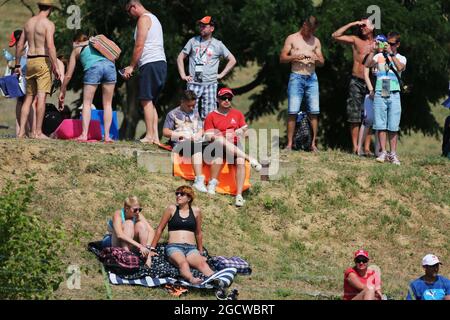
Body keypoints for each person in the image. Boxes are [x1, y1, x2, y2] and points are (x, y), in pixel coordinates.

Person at [203, 87, 262, 207]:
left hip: (234, 146)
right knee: (219, 150)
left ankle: (239, 195)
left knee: (240, 161)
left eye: (229, 98)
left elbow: (246, 131)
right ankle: (212, 184)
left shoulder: (237, 114)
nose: (226, 100)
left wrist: (242, 132)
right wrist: (224, 136)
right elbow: (209, 136)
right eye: (224, 98)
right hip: (217, 146)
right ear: (218, 100)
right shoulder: (211, 116)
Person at [14, 0, 63, 139]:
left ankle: (21, 132)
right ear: (50, 9)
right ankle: (37, 132)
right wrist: (55, 66)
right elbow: (51, 46)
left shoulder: (29, 23)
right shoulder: (48, 24)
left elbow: (19, 46)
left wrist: (17, 65)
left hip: (30, 61)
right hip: (42, 60)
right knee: (41, 97)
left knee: (28, 98)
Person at [122, 0, 167, 144]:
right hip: (160, 63)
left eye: (128, 11)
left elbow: (139, 45)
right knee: (151, 101)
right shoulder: (155, 18)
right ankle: (154, 137)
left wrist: (131, 66)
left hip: (150, 63)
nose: (129, 15)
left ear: (134, 6)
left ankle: (148, 136)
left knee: (145, 99)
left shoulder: (143, 19)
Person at [149, 186, 215, 284]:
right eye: (177, 193)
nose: (178, 196)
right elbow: (160, 228)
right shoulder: (172, 209)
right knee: (183, 263)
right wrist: (152, 248)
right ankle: (192, 279)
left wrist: (201, 251)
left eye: (182, 194)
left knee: (202, 264)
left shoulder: (196, 211)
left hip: (191, 248)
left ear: (189, 198)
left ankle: (216, 280)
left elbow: (198, 232)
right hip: (174, 247)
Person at [59, 33, 116, 142]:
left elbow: (69, 75)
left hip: (93, 68)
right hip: (109, 66)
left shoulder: (76, 49)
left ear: (75, 42)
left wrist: (63, 89)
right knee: (108, 104)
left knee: (87, 103)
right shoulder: (96, 44)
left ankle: (84, 135)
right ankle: (107, 136)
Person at [177, 16, 236, 120]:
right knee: (189, 113)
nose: (201, 28)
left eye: (204, 26)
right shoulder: (193, 41)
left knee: (209, 115)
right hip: (193, 83)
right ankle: (191, 135)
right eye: (200, 25)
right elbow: (180, 57)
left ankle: (207, 135)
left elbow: (232, 60)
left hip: (210, 84)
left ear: (212, 28)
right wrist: (183, 75)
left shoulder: (218, 44)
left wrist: (221, 74)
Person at [280, 16, 325, 152]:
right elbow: (282, 58)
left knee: (314, 111)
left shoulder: (315, 41)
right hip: (296, 76)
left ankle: (312, 144)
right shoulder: (292, 38)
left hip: (312, 77)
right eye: (309, 29)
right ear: (304, 25)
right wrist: (295, 57)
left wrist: (316, 59)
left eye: (313, 30)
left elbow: (322, 61)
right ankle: (289, 144)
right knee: (293, 110)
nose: (310, 32)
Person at [332, 18, 375, 154]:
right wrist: (351, 24)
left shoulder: (377, 43)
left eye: (364, 25)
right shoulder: (356, 40)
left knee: (370, 115)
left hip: (372, 83)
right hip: (356, 81)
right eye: (360, 25)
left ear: (373, 27)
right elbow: (335, 36)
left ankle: (367, 147)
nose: (362, 27)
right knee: (354, 115)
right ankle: (356, 147)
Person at [364, 31, 406, 165]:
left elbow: (400, 67)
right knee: (380, 124)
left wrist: (392, 54)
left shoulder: (401, 57)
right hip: (381, 89)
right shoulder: (379, 56)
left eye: (392, 44)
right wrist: (372, 50)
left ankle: (393, 154)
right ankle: (382, 152)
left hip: (393, 91)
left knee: (393, 125)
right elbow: (368, 64)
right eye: (388, 43)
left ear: (397, 45)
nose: (389, 46)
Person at [163, 90, 207, 193]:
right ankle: (199, 180)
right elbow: (165, 132)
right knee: (195, 147)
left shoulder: (195, 113)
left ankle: (213, 183)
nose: (191, 108)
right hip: (180, 144)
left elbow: (202, 128)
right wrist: (182, 135)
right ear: (182, 101)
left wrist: (198, 135)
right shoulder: (172, 114)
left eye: (193, 105)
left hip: (195, 140)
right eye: (189, 105)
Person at [106, 196, 155, 267]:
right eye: (135, 210)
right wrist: (139, 246)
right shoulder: (118, 214)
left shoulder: (137, 215)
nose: (138, 212)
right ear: (126, 209)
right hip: (112, 241)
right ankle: (126, 255)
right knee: (129, 223)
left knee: (141, 225)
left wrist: (147, 248)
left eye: (139, 209)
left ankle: (145, 256)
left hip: (130, 243)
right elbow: (120, 235)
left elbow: (151, 231)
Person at [8, 29, 36, 137]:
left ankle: (25, 131)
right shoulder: (31, 45)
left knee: (23, 103)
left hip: (25, 77)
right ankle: (28, 132)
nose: (16, 47)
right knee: (28, 103)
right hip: (27, 77)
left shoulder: (25, 48)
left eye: (16, 44)